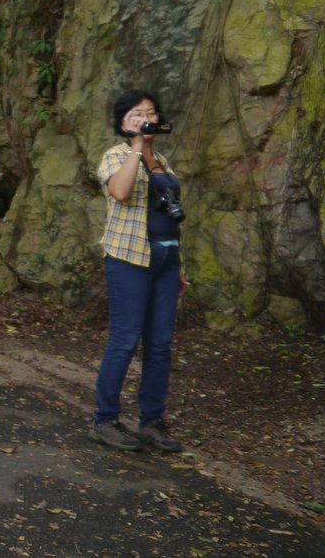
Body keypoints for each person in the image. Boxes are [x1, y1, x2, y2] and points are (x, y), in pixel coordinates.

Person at [90, 89, 189, 453]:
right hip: (129, 259)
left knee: (160, 345)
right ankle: (105, 420)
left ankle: (152, 422)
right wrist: (134, 146)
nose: (146, 116)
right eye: (136, 113)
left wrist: (179, 266)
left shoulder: (161, 159)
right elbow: (120, 191)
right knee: (125, 339)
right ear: (122, 123)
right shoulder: (115, 155)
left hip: (165, 260)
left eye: (150, 111)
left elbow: (171, 215)